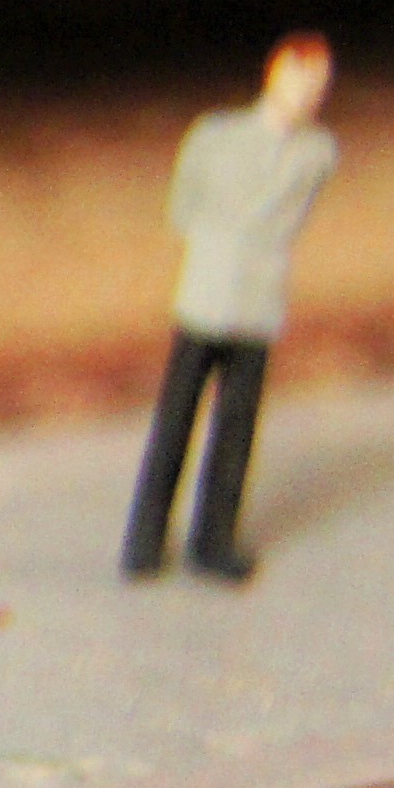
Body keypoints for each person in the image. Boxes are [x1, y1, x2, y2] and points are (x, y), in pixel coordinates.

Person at [122, 34, 338, 584]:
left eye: (319, 85)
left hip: (258, 301)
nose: (309, 94)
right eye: (301, 80)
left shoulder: (317, 154)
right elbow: (183, 206)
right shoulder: (215, 137)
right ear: (274, 75)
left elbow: (291, 217)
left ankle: (213, 539)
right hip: (206, 295)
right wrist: (221, 244)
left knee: (237, 430)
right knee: (175, 421)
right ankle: (145, 538)